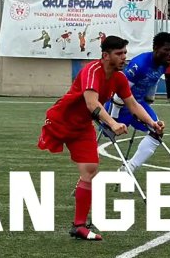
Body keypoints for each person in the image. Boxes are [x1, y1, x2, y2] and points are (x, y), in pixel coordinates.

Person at [37, 35, 162, 241]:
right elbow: (92, 103)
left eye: (125, 53)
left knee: (90, 169)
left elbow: (133, 104)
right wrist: (112, 123)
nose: (124, 57)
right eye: (119, 54)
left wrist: (152, 123)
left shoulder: (119, 78)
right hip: (62, 120)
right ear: (105, 55)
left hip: (83, 126)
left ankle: (79, 226)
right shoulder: (92, 71)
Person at [107, 32, 170, 173]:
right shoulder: (140, 65)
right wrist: (113, 119)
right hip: (120, 105)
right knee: (111, 132)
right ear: (156, 48)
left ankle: (128, 169)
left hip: (139, 104)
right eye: (167, 50)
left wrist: (149, 100)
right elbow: (120, 92)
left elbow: (154, 81)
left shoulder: (164, 64)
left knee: (157, 131)